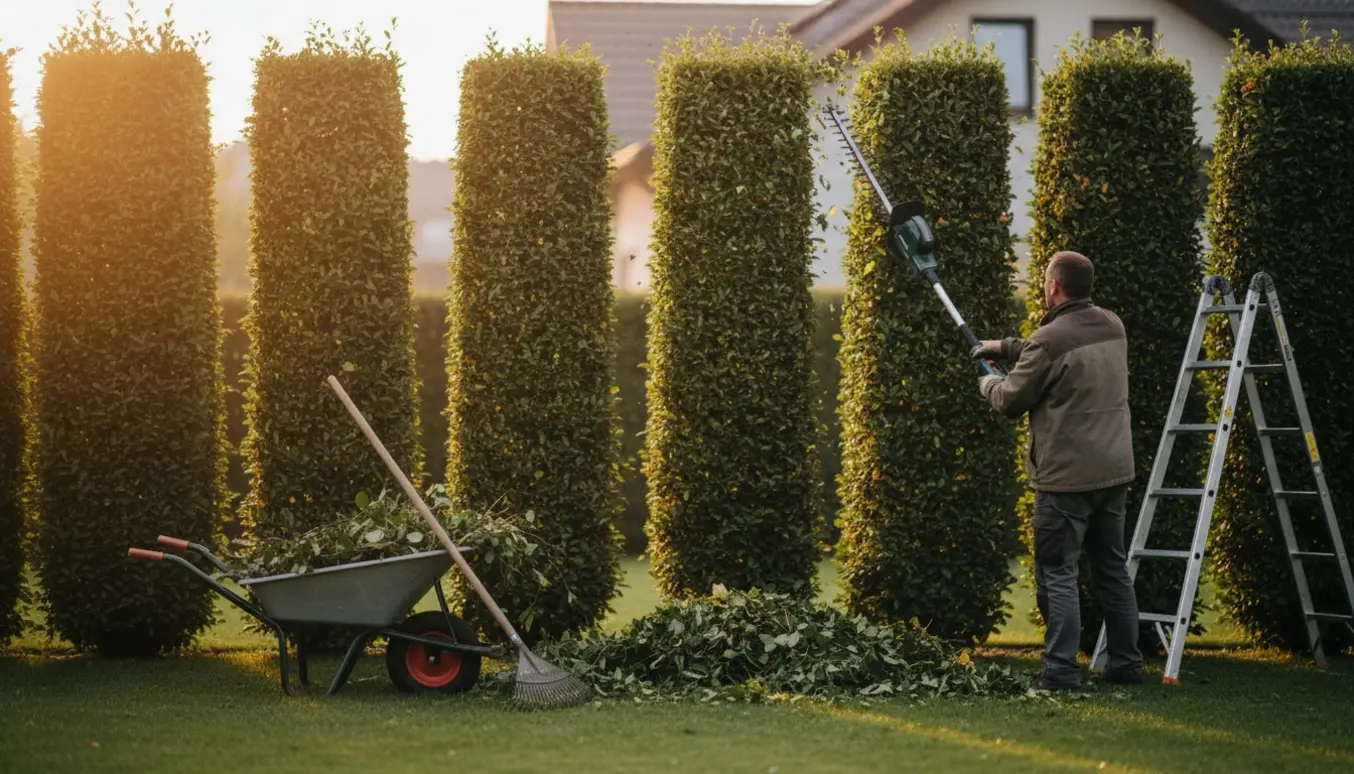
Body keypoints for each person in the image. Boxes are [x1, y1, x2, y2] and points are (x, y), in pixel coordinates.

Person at [971, 250, 1143, 691]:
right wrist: (1003, 347)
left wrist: (988, 379)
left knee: (1057, 572)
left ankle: (1061, 671)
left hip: (1066, 479)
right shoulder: (1112, 324)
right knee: (1112, 570)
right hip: (1114, 472)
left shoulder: (1049, 341)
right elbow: (1046, 350)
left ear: (1053, 286)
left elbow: (1011, 399)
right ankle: (1126, 664)